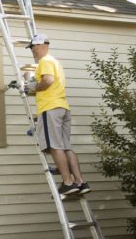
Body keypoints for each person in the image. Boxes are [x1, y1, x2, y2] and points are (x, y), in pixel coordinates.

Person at [25, 34, 90, 197]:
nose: (32, 51)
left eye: (32, 47)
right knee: (66, 146)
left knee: (54, 146)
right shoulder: (55, 61)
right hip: (62, 107)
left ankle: (68, 183)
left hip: (50, 108)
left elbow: (47, 80)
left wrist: (34, 87)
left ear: (38, 46)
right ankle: (80, 182)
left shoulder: (45, 61)